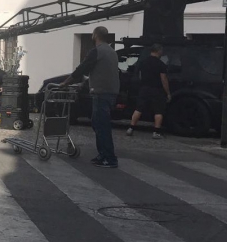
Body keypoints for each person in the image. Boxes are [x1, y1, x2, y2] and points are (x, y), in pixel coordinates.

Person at [61, 26, 120, 168]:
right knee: (98, 123)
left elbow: (82, 68)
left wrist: (66, 82)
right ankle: (102, 154)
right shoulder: (112, 51)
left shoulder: (97, 51)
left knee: (101, 125)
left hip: (101, 93)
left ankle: (109, 158)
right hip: (111, 92)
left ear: (95, 35)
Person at [127, 44, 171, 139]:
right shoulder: (161, 64)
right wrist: (167, 93)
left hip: (144, 88)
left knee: (138, 109)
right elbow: (163, 79)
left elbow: (139, 76)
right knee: (158, 111)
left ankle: (131, 128)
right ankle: (156, 132)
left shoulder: (143, 62)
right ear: (159, 51)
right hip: (157, 89)